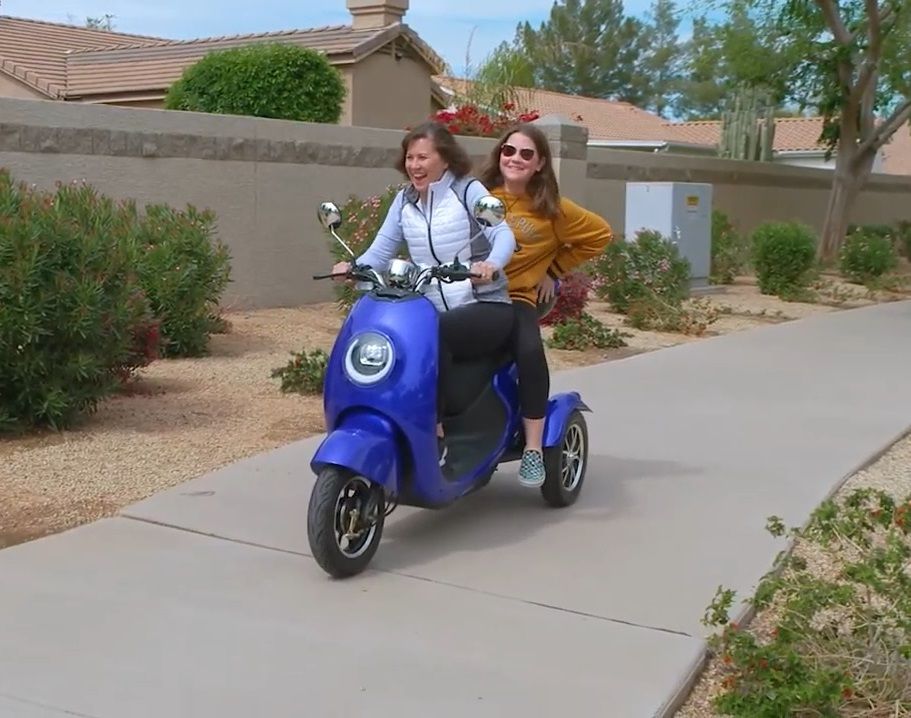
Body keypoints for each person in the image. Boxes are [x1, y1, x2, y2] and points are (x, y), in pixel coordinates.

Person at [330, 121, 517, 469]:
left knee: (434, 336)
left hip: (484, 304)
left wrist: (490, 264)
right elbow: (381, 248)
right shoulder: (405, 199)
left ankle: (435, 431)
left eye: (423, 157)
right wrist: (353, 265)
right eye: (410, 157)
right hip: (428, 304)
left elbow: (503, 235)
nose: (414, 165)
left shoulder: (467, 191)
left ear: (445, 159)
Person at [479, 123, 613, 488]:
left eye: (526, 154)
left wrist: (553, 270)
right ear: (499, 154)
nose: (516, 159)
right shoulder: (478, 195)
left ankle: (534, 450)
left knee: (529, 352)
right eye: (509, 151)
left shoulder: (552, 209)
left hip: (515, 299)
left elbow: (600, 235)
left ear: (539, 164)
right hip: (467, 297)